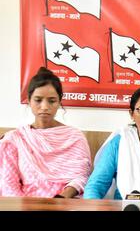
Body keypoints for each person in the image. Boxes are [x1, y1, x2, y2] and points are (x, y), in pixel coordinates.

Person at [0, 67, 91, 198]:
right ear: (29, 100)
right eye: (38, 100)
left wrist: (61, 199)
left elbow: (82, 176)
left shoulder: (75, 137)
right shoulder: (15, 139)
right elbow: (9, 184)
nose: (44, 107)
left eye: (51, 101)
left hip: (65, 203)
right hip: (25, 206)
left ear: (59, 101)